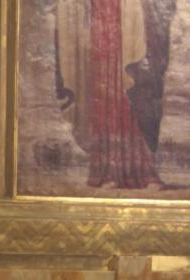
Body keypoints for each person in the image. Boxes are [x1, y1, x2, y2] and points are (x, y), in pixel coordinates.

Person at [55, 0, 170, 190]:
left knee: (130, 92)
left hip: (126, 19)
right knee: (103, 93)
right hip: (97, 23)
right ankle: (107, 170)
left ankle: (141, 170)